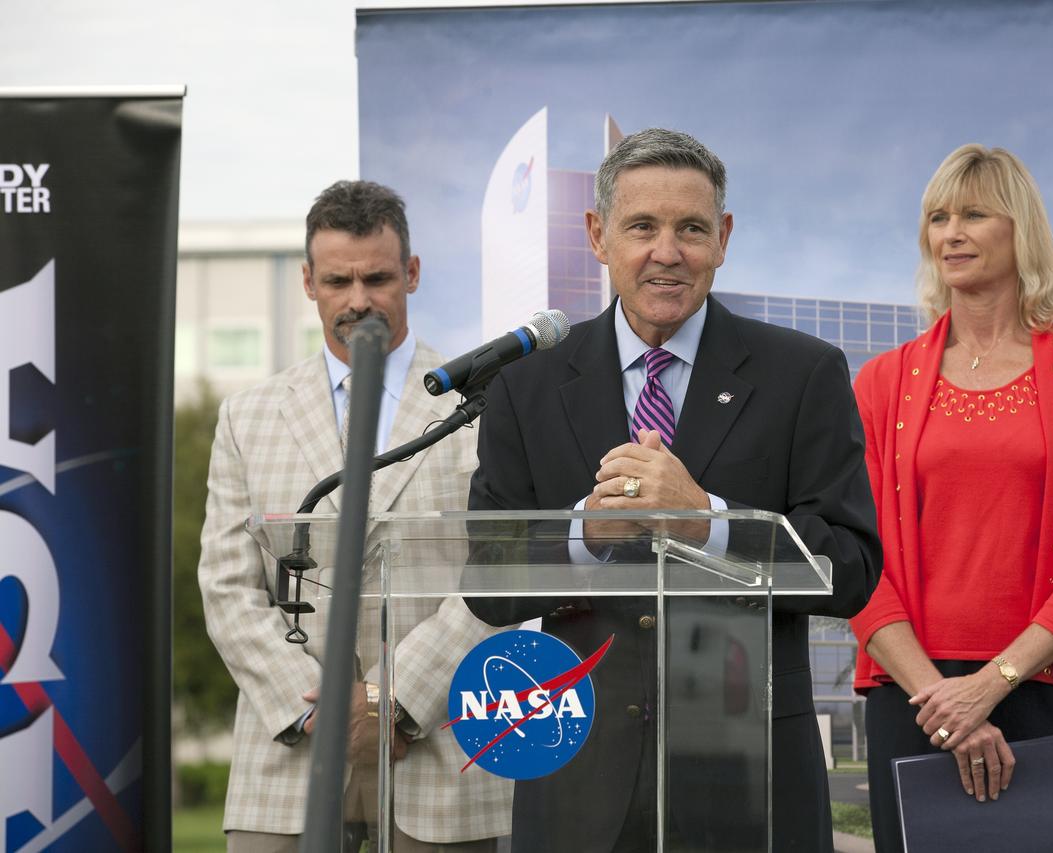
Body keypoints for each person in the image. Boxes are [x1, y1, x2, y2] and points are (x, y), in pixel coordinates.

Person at [465, 128, 881, 852]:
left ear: (723, 238)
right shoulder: (524, 386)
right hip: (577, 776)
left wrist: (709, 522)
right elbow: (488, 577)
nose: (668, 251)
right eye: (642, 227)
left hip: (751, 777)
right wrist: (584, 533)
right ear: (598, 236)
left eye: (691, 228)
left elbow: (850, 568)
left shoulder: (802, 374)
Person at [198, 180, 511, 852]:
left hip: (442, 748)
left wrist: (392, 702)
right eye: (339, 280)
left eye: (377, 277)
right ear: (308, 282)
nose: (359, 299)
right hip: (289, 750)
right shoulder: (248, 416)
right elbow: (227, 586)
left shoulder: (489, 406)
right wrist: (321, 711)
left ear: (413, 273)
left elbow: (497, 570)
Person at [848, 144, 1053, 851]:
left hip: (1052, 683)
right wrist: (944, 700)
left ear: (1021, 231)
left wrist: (990, 684)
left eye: (974, 214)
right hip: (913, 693)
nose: (950, 233)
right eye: (938, 217)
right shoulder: (880, 384)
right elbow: (856, 559)